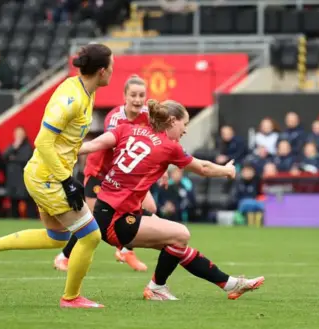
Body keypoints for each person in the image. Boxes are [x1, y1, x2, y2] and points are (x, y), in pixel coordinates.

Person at [0, 43, 115, 309]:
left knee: (58, 237)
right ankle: (71, 298)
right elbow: (43, 142)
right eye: (111, 66)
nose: (113, 71)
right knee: (90, 236)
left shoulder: (85, 92)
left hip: (46, 175)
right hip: (48, 178)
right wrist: (67, 181)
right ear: (102, 71)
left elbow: (65, 142)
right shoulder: (72, 98)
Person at [78, 99, 265, 301]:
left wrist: (63, 151)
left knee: (177, 245)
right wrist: (227, 170)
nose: (185, 131)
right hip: (117, 219)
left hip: (112, 210)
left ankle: (231, 284)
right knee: (181, 234)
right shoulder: (168, 147)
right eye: (184, 125)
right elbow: (203, 168)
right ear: (173, 121)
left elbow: (94, 144)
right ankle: (157, 287)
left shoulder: (127, 129)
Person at [53, 75, 154, 272]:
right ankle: (64, 256)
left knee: (150, 207)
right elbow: (116, 147)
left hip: (126, 174)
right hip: (100, 173)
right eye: (133, 95)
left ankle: (125, 249)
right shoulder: (115, 118)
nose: (137, 99)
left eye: (141, 95)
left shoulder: (147, 116)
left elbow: (153, 143)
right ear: (125, 96)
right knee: (94, 220)